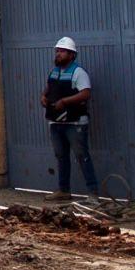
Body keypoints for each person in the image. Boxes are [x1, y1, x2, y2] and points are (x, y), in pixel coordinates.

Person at [41, 36, 97, 202]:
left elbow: (85, 93)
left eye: (62, 51)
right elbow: (48, 89)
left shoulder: (78, 73)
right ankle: (64, 189)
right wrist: (43, 97)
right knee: (61, 156)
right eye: (57, 51)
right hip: (56, 122)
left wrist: (65, 102)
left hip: (75, 123)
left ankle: (93, 192)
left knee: (82, 156)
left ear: (72, 55)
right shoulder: (54, 72)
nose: (58, 54)